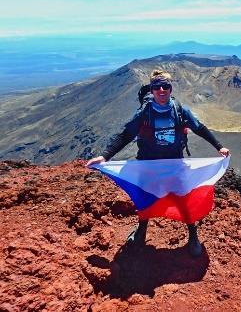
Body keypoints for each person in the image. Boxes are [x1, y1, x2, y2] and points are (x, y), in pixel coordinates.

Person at [86, 69, 230, 257]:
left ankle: (193, 235)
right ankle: (141, 230)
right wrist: (105, 157)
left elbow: (200, 128)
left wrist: (219, 147)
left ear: (170, 89)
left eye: (166, 86)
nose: (162, 90)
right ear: (152, 90)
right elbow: (126, 134)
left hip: (174, 164)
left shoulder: (180, 110)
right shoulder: (144, 112)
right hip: (148, 164)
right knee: (145, 198)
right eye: (157, 87)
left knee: (183, 198)